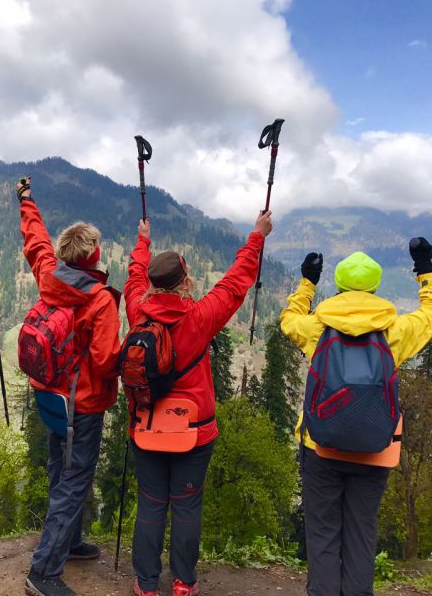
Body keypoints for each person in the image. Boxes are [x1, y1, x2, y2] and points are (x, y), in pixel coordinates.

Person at [280, 238, 432, 596]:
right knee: (361, 532)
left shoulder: (317, 329)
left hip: (320, 445)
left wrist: (307, 282)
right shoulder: (394, 331)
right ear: (375, 288)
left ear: (339, 287)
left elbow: (289, 320)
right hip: (376, 448)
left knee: (323, 533)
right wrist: (425, 268)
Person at [124, 211, 273, 596]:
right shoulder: (201, 317)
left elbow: (134, 278)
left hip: (146, 427)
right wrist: (256, 236)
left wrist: (143, 243)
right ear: (185, 280)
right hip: (193, 431)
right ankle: (182, 583)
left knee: (152, 503)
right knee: (186, 506)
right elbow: (236, 282)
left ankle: (145, 584)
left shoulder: (137, 310)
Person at [17, 180, 122, 596]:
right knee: (75, 478)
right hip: (82, 405)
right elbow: (104, 361)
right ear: (94, 256)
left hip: (49, 397)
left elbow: (34, 240)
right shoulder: (99, 300)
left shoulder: (48, 274)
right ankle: (43, 572)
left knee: (61, 471)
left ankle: (70, 541)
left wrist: (26, 201)